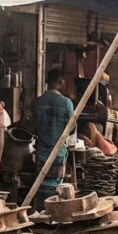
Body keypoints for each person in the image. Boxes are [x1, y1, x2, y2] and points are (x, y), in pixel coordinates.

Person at [30, 68, 75, 205]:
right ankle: (54, 212)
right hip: (58, 151)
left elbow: (33, 127)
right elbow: (72, 128)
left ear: (47, 82)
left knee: (41, 184)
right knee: (55, 186)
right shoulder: (66, 103)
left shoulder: (37, 102)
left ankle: (40, 213)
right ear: (61, 83)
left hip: (41, 151)